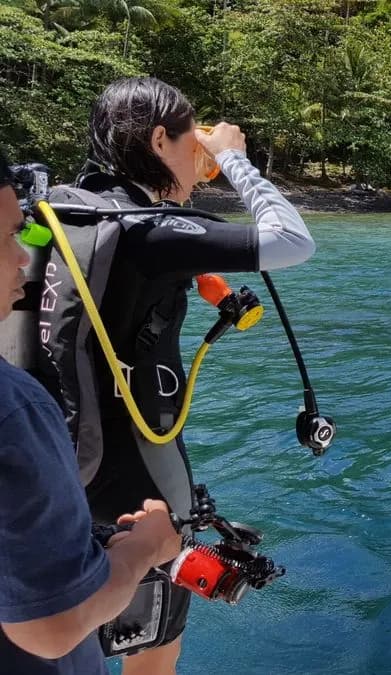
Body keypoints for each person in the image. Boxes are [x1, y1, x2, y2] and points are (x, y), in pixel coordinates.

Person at [29, 77, 316, 674]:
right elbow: (292, 241)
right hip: (137, 485)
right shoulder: (151, 228)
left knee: (65, 633)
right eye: (193, 144)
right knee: (154, 649)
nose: (199, 160)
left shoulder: (69, 213)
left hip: (56, 463)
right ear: (160, 140)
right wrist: (234, 156)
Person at [0, 151, 182, 675]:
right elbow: (52, 627)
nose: (20, 259)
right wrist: (142, 551)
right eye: (7, 237)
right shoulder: (15, 412)